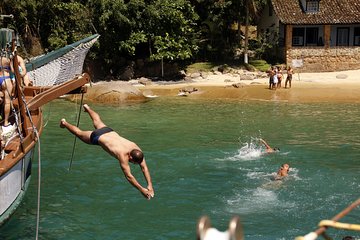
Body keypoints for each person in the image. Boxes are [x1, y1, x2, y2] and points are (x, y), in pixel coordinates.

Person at [60, 104, 154, 200]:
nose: (133, 164)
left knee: (97, 121)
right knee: (79, 133)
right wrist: (141, 189)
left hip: (108, 131)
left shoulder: (135, 148)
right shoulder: (123, 155)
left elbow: (144, 168)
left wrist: (150, 185)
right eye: (133, 162)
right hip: (97, 137)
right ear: (130, 157)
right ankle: (64, 123)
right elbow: (129, 176)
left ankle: (87, 108)